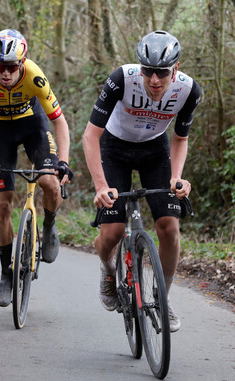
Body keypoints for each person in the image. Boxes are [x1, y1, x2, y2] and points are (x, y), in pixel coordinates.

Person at [82, 30, 201, 332]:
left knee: (170, 228)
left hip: (154, 151)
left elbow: (180, 138)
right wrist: (99, 185)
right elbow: (91, 135)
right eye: (148, 71)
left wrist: (176, 177)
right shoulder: (121, 79)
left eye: (162, 72)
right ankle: (109, 271)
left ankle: (162, 298)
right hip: (115, 149)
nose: (155, 80)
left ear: (175, 68)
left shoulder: (188, 90)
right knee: (112, 233)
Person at [0, 29, 73, 307]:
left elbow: (59, 122)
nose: (6, 73)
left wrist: (64, 162)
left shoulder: (35, 75)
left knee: (49, 182)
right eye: (1, 66)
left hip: (32, 125)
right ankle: (6, 273)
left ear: (22, 63)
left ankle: (49, 224)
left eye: (12, 67)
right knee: (3, 204)